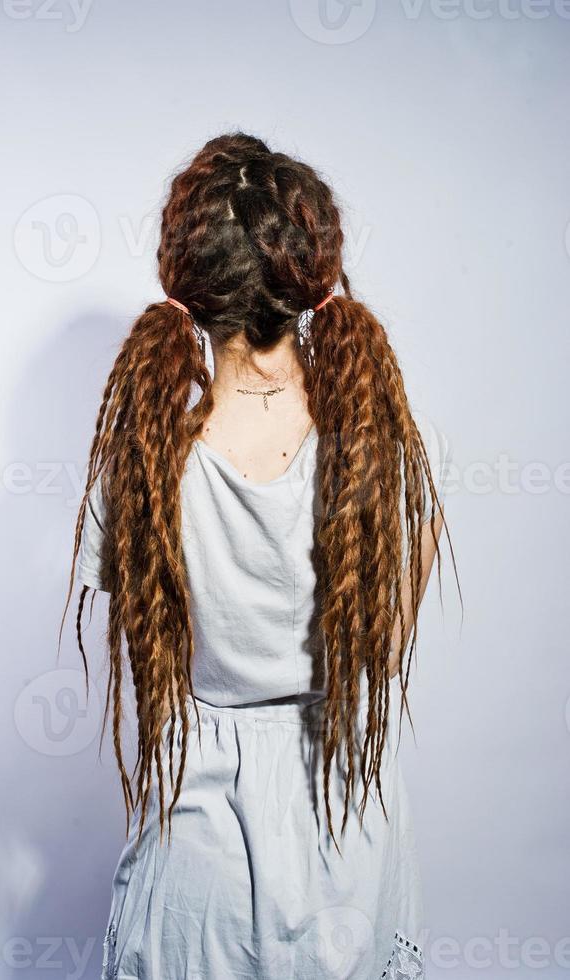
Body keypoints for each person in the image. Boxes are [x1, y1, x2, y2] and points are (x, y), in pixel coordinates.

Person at [60, 132, 459, 980]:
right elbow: (382, 650)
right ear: (313, 271)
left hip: (196, 841)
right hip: (347, 830)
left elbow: (143, 617)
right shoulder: (381, 444)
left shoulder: (146, 454)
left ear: (188, 286)